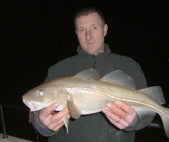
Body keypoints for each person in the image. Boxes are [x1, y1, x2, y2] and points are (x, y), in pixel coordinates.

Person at [31, 7, 155, 142]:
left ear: (105, 29)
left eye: (94, 28)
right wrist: (42, 124)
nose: (88, 36)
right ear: (76, 33)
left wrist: (134, 121)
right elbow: (37, 113)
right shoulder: (59, 70)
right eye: (82, 30)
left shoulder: (128, 66)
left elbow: (149, 113)